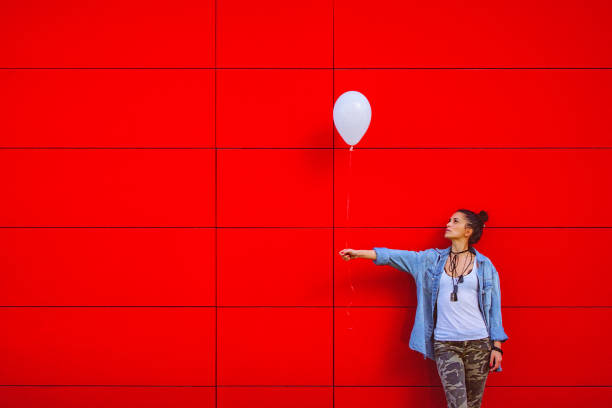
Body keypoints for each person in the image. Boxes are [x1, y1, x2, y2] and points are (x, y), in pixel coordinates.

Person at [338, 209, 508, 408]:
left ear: (468, 231)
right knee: (458, 405)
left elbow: (494, 308)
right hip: (446, 344)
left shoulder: (485, 265)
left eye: (455, 221)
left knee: (474, 404)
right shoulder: (430, 260)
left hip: (479, 344)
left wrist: (497, 346)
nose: (449, 224)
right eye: (449, 220)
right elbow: (395, 256)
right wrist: (359, 254)